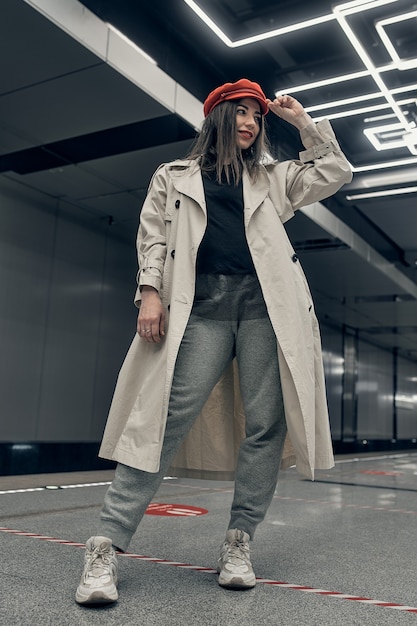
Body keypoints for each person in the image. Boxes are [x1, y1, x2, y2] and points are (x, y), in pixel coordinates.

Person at [75, 78, 352, 605]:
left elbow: (336, 171)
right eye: (240, 112)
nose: (250, 122)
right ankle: (105, 546)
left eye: (256, 115)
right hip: (199, 309)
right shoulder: (173, 176)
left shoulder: (274, 178)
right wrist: (150, 293)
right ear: (218, 118)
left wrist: (302, 125)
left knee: (265, 425)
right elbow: (153, 236)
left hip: (264, 309)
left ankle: (238, 543)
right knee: (162, 418)